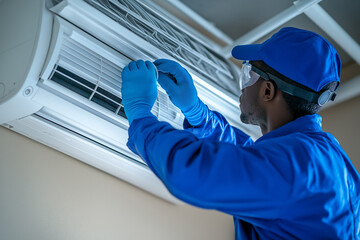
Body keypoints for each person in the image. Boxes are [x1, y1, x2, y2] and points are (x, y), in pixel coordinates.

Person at [120, 27, 360, 239]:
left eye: (248, 74)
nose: (243, 86)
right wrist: (198, 115)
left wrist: (141, 117)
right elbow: (250, 159)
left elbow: (194, 172)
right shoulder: (322, 159)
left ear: (268, 90)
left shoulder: (298, 166)